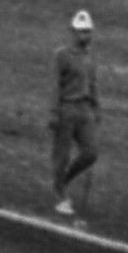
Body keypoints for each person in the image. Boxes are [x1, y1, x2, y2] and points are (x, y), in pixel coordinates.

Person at [50, 12, 102, 220]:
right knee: (62, 155)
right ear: (73, 32)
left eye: (88, 31)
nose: (85, 35)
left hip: (84, 109)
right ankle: (60, 193)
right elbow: (55, 85)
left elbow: (93, 84)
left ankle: (64, 181)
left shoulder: (89, 58)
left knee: (91, 152)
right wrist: (53, 112)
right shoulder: (62, 55)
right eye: (81, 31)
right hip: (67, 108)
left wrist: (97, 108)